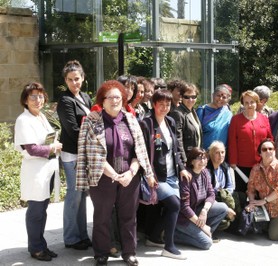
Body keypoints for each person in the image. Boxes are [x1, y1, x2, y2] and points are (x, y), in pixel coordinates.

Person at [76, 80, 155, 266]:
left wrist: (131, 172)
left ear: (123, 99)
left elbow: (140, 151)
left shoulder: (131, 119)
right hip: (103, 177)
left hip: (130, 177)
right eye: (109, 97)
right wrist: (115, 175)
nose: (114, 101)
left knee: (128, 216)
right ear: (102, 101)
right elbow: (89, 153)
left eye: (118, 97)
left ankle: (129, 252)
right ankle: (101, 253)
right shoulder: (91, 122)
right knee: (102, 217)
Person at [140, 89, 191, 260]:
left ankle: (154, 237)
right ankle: (169, 246)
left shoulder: (170, 121)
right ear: (154, 105)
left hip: (172, 174)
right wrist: (149, 174)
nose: (164, 107)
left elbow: (175, 149)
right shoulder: (146, 124)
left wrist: (182, 167)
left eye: (167, 104)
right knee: (175, 205)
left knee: (171, 207)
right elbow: (143, 152)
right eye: (160, 104)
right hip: (156, 176)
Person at [14, 82, 63, 262]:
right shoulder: (23, 120)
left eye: (40, 96)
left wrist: (53, 145)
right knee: (36, 212)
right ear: (25, 100)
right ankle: (35, 248)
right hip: (35, 172)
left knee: (42, 210)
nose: (37, 100)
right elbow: (32, 149)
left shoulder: (41, 116)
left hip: (46, 171)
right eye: (33, 96)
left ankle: (41, 244)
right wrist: (53, 147)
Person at [57, 60, 92, 250]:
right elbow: (73, 130)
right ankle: (71, 238)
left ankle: (82, 235)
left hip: (84, 154)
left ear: (83, 78)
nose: (74, 83)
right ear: (65, 81)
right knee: (74, 195)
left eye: (77, 79)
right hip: (72, 154)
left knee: (82, 195)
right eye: (70, 80)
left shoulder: (85, 97)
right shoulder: (64, 101)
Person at [174, 148, 229, 250]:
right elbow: (184, 207)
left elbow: (211, 194)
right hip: (184, 218)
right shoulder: (186, 177)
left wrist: (204, 210)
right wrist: (202, 226)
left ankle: (204, 233)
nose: (202, 161)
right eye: (199, 159)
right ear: (192, 161)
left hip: (198, 211)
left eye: (204, 158)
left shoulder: (205, 172)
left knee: (223, 208)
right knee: (206, 243)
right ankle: (173, 234)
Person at [245, 139, 278, 241]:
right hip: (264, 209)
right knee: (257, 229)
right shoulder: (256, 169)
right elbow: (250, 188)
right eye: (264, 149)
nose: (268, 151)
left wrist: (264, 200)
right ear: (260, 153)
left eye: (271, 149)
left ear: (275, 151)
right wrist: (252, 203)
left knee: (274, 236)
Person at [228, 90, 273, 193]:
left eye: (252, 102)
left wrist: (270, 157)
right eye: (246, 102)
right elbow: (232, 142)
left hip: (261, 163)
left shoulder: (264, 119)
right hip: (242, 164)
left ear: (257, 103)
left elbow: (270, 139)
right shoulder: (236, 120)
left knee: (260, 191)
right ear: (243, 104)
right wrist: (233, 161)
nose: (249, 105)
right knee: (242, 192)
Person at [169, 83, 202, 163]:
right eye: (187, 97)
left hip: (195, 157)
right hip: (186, 159)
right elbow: (177, 140)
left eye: (193, 97)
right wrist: (184, 161)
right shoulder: (177, 113)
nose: (190, 100)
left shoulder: (193, 111)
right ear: (181, 97)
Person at [206, 141, 236, 230]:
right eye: (217, 153)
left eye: (222, 152)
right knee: (225, 222)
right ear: (211, 154)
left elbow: (231, 186)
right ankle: (209, 228)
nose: (221, 155)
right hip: (211, 200)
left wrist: (225, 195)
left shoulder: (225, 167)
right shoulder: (206, 170)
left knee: (240, 198)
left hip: (224, 196)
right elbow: (208, 192)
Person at [196, 84, 232, 149]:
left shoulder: (228, 113)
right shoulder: (202, 110)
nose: (220, 99)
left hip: (221, 154)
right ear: (213, 95)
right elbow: (195, 134)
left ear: (227, 99)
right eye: (218, 95)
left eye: (224, 97)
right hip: (205, 153)